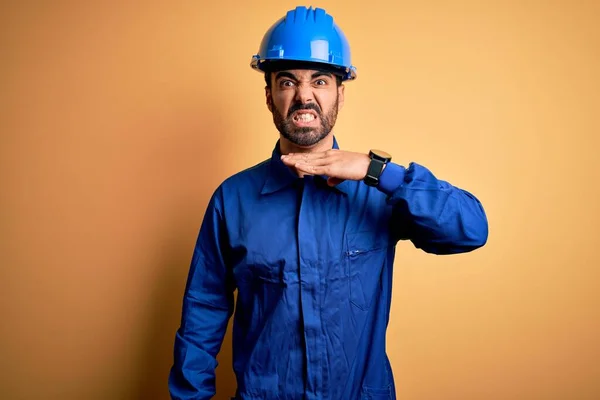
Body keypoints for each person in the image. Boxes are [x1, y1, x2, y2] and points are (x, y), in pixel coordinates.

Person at [169, 6, 488, 400]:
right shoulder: (232, 200)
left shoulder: (380, 192)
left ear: (341, 92)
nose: (304, 96)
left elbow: (471, 229)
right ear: (269, 96)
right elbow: (203, 314)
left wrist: (379, 172)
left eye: (320, 81)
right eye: (288, 82)